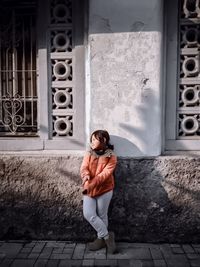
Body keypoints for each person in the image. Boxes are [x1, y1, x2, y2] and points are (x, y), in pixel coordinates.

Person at [80, 130, 117, 254]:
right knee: (88, 214)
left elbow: (105, 175)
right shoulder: (89, 153)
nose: (92, 142)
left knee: (102, 215)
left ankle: (100, 240)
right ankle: (107, 237)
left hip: (105, 189)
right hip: (88, 189)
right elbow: (84, 167)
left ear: (104, 140)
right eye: (92, 139)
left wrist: (90, 184)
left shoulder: (111, 156)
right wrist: (85, 176)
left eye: (95, 139)